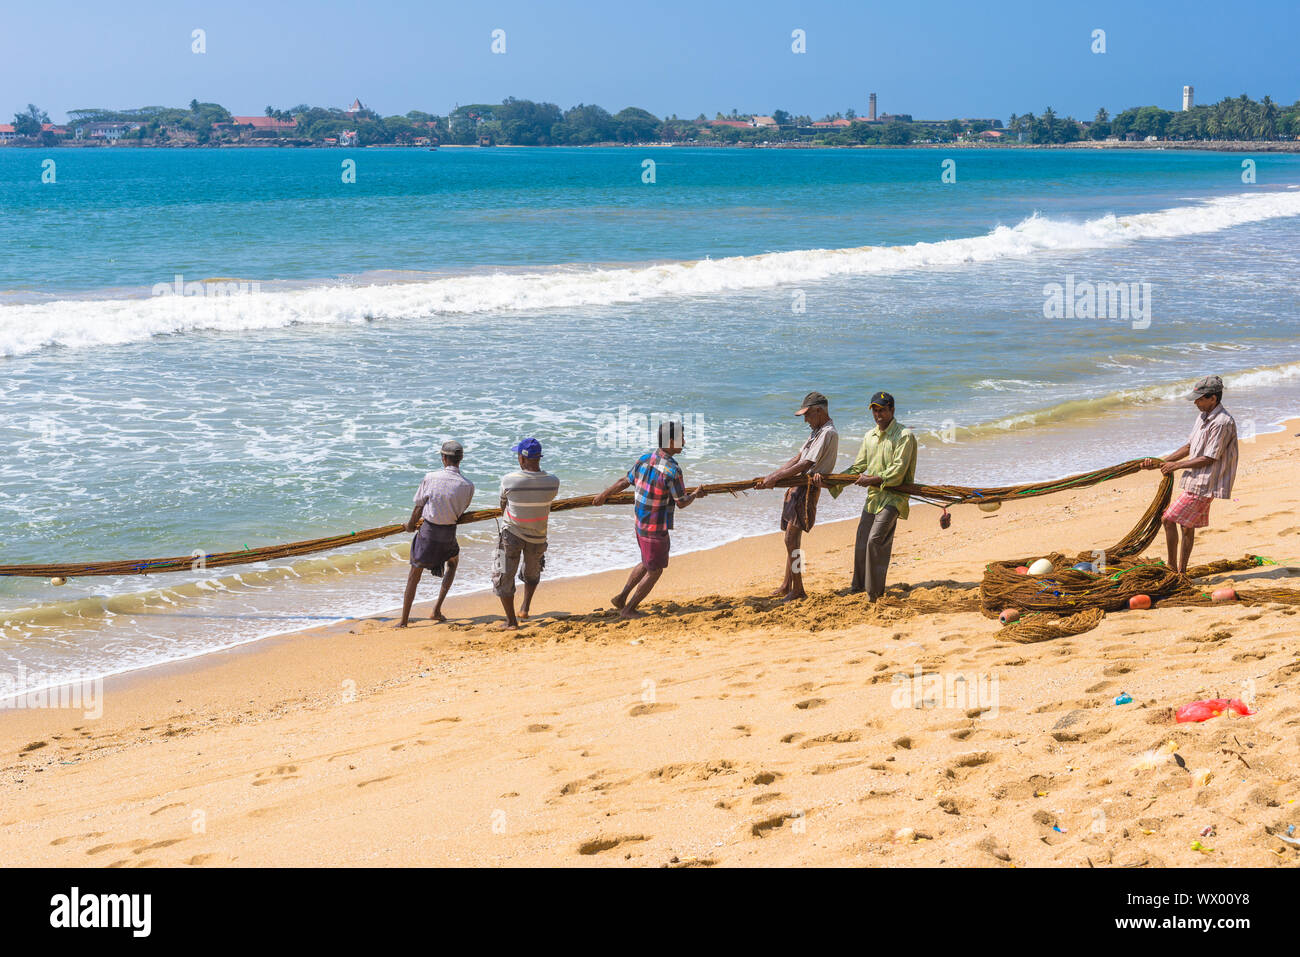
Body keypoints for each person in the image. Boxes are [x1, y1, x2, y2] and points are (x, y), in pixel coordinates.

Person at [593, 421, 705, 619]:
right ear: (671, 441)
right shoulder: (672, 470)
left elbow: (624, 481)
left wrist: (603, 495)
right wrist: (697, 493)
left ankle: (621, 598)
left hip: (640, 523)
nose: (685, 442)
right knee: (655, 570)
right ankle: (628, 609)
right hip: (656, 527)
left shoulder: (645, 459)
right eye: (682, 438)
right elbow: (682, 502)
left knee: (646, 562)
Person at [820, 391, 917, 600]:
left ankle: (874, 593)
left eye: (882, 409)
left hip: (894, 496)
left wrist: (872, 480)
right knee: (862, 539)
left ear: (892, 410)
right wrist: (834, 481)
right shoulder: (869, 436)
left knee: (875, 540)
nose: (878, 414)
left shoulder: (904, 436)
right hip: (874, 498)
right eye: (874, 410)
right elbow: (860, 466)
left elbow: (898, 471)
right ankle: (858, 587)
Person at [1141, 375, 1239, 573]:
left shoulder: (1222, 422)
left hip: (1205, 483)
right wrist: (1164, 462)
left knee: (1168, 520)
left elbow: (1210, 458)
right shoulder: (1203, 416)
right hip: (1195, 480)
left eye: (1200, 398)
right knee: (1186, 526)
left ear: (1213, 398)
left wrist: (1177, 467)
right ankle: (1181, 571)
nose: (1196, 402)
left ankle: (1172, 568)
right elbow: (1189, 446)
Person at [758, 391, 839, 601]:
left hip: (808, 488)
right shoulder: (816, 431)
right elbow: (798, 458)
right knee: (791, 538)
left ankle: (799, 589)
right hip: (797, 486)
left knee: (791, 538)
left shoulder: (827, 433)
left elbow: (806, 464)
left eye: (808, 415)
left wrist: (774, 478)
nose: (805, 420)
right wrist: (773, 476)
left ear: (819, 411)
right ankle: (788, 584)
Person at [399, 440, 475, 627]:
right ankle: (436, 609)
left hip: (428, 533)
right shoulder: (468, 485)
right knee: (453, 562)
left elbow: (418, 508)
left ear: (443, 458)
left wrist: (410, 526)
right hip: (448, 534)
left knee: (414, 575)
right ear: (460, 459)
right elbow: (461, 511)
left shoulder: (430, 477)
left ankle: (403, 621)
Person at [493, 438, 560, 630]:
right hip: (539, 535)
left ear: (522, 459)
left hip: (511, 534)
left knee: (503, 574)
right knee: (533, 572)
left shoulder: (509, 480)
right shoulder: (553, 481)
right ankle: (525, 608)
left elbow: (503, 505)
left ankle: (511, 621)